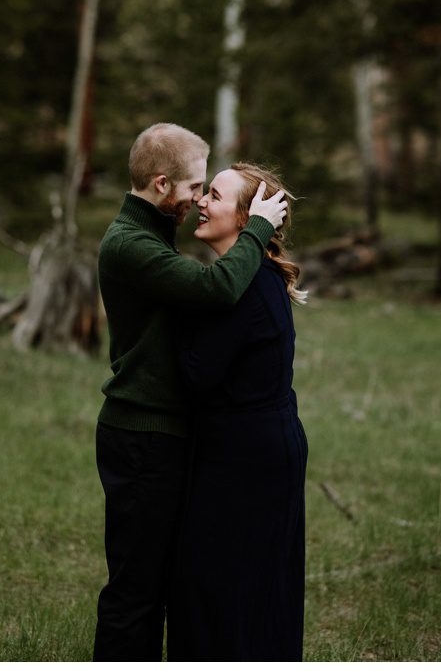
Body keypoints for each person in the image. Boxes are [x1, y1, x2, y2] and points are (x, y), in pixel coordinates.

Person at [93, 124, 288, 660]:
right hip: (141, 436)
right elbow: (215, 286)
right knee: (135, 594)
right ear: (161, 184)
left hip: (163, 436)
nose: (200, 198)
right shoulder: (131, 244)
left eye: (208, 189)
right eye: (195, 187)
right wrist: (256, 230)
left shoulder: (154, 228)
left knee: (160, 584)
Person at [166, 163, 309, 660]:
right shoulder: (249, 278)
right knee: (240, 585)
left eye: (216, 196)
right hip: (251, 449)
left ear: (249, 221)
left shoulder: (248, 287)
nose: (201, 201)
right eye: (206, 192)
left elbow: (196, 372)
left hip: (247, 461)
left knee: (225, 588)